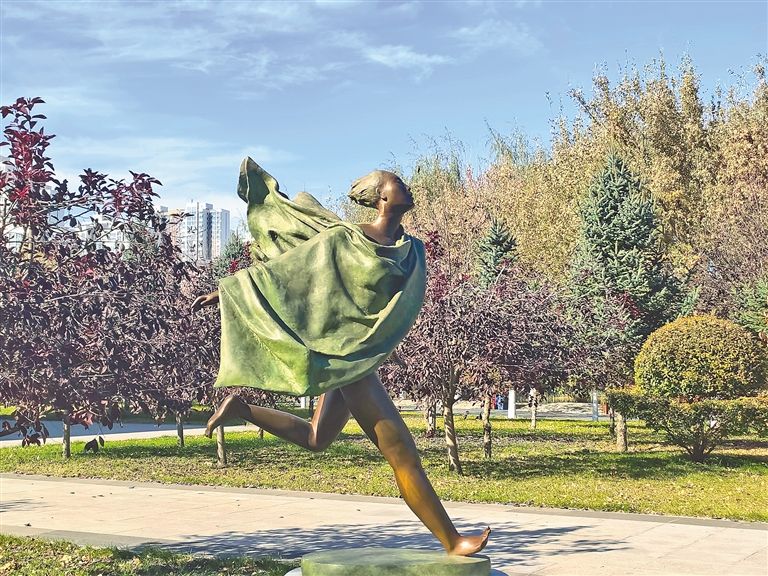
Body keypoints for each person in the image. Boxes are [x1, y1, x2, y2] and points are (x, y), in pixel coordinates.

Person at [192, 158, 490, 556]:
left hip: (357, 357)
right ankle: (452, 541)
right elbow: (288, 272)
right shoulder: (345, 239)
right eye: (398, 182)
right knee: (402, 453)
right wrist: (226, 293)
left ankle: (241, 409)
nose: (407, 187)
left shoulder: (411, 249)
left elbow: (388, 309)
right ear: (382, 197)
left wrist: (380, 341)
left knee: (317, 438)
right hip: (346, 360)